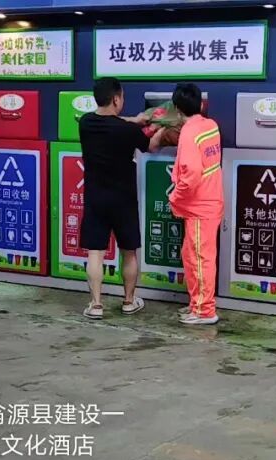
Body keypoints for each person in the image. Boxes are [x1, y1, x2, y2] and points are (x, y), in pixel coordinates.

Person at [78, 77, 167, 319]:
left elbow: (112, 122)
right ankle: (128, 301)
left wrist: (135, 120)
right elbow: (152, 146)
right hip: (123, 199)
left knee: (95, 253)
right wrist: (165, 126)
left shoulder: (86, 123)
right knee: (128, 251)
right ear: (116, 99)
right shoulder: (127, 131)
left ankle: (96, 305)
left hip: (95, 198)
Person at [168, 83, 224, 325]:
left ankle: (204, 311)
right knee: (192, 256)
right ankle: (196, 303)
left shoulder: (189, 133)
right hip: (208, 203)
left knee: (200, 259)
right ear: (201, 104)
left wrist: (175, 197)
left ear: (177, 109)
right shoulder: (210, 126)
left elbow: (190, 174)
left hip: (200, 206)